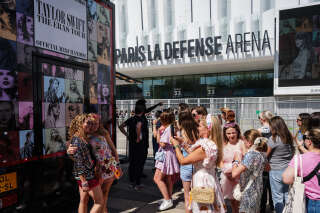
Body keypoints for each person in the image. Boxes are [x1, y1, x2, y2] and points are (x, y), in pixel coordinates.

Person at [171, 117, 226, 212]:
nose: (197, 128)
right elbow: (195, 156)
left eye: (200, 126)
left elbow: (183, 161)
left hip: (202, 181)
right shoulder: (210, 144)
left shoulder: (205, 147)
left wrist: (175, 145)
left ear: (208, 129)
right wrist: (183, 143)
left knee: (204, 209)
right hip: (208, 178)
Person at [68, 114, 104, 213]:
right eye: (88, 123)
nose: (90, 125)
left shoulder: (83, 137)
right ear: (80, 124)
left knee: (83, 200)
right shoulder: (77, 140)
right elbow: (78, 163)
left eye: (92, 123)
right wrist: (84, 181)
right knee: (99, 202)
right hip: (87, 176)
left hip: (86, 174)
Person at [282, 128, 320, 213]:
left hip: (311, 202)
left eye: (305, 137)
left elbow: (286, 179)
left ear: (309, 141)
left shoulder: (300, 159)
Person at [232, 136, 268, 213]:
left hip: (248, 191)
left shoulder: (250, 155)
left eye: (244, 140)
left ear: (249, 142)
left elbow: (234, 174)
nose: (243, 143)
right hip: (257, 189)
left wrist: (235, 161)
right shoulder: (262, 154)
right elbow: (268, 168)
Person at [267, 116, 294, 213]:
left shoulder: (273, 139)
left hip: (275, 170)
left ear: (274, 126)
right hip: (288, 169)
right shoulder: (288, 136)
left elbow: (266, 154)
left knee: (277, 196)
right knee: (287, 194)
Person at [153, 110, 180, 211]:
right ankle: (169, 198)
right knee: (168, 178)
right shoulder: (172, 127)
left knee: (157, 178)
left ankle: (167, 200)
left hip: (165, 155)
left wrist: (159, 133)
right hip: (170, 154)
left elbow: (162, 144)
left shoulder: (167, 129)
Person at [119, 104, 146, 190]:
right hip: (139, 144)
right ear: (142, 111)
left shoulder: (131, 119)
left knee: (132, 163)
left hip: (131, 143)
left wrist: (127, 134)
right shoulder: (141, 119)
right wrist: (138, 138)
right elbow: (138, 127)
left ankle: (131, 182)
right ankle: (137, 184)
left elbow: (120, 126)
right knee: (138, 163)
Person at [221, 123, 245, 213]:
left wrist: (237, 173)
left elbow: (246, 158)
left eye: (233, 133)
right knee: (232, 202)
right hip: (227, 176)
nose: (231, 135)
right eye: (228, 133)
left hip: (240, 176)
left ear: (237, 132)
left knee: (240, 201)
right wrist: (226, 174)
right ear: (225, 134)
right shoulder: (223, 144)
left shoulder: (241, 143)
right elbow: (220, 161)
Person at [176, 110, 196, 213]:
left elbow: (180, 147)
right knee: (196, 194)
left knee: (187, 195)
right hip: (196, 164)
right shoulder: (197, 130)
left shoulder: (181, 132)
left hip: (186, 163)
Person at [257, 111, 274, 213]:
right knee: (272, 187)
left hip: (263, 161)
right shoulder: (274, 130)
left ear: (262, 119)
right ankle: (272, 207)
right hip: (272, 161)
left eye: (259, 118)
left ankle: (262, 208)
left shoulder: (259, 130)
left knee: (262, 186)